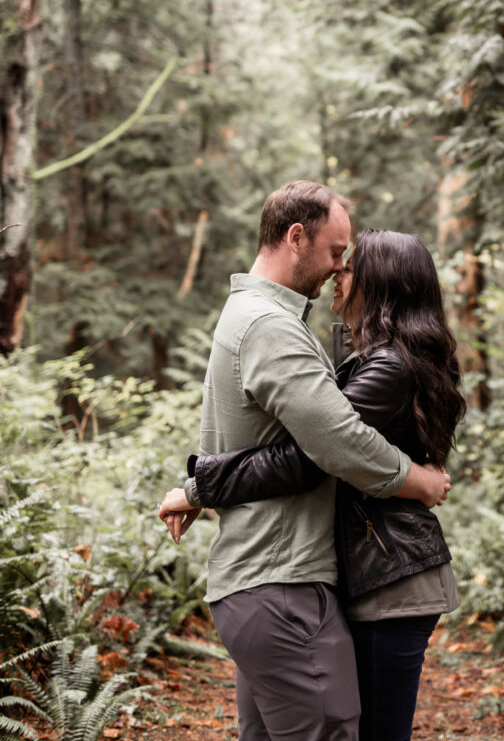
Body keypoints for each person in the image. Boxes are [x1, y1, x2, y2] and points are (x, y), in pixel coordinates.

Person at [158, 182, 450, 741]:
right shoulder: (269, 325)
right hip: (282, 584)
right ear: (297, 237)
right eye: (336, 252)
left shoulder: (254, 317)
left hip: (266, 585)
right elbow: (335, 444)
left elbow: (294, 441)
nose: (339, 268)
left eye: (347, 258)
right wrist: (416, 481)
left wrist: (200, 488)